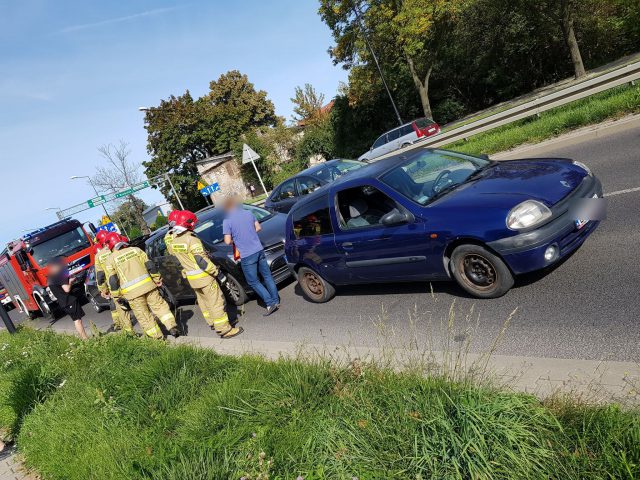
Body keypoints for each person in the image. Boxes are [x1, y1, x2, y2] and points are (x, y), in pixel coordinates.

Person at [164, 210, 243, 338]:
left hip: (192, 278)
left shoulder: (175, 241)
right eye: (193, 223)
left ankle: (213, 323)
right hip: (204, 277)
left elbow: (179, 258)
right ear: (188, 223)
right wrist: (217, 272)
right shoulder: (191, 240)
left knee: (204, 302)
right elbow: (202, 261)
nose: (194, 225)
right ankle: (224, 330)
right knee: (216, 302)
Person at [104, 232, 180, 339]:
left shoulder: (110, 260)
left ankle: (158, 338)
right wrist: (157, 279)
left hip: (133, 294)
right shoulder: (136, 250)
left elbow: (112, 282)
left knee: (144, 316)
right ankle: (171, 326)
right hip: (149, 287)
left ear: (109, 245)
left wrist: (117, 297)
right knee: (160, 307)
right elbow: (151, 266)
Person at [222, 194, 279, 316]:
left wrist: (236, 239)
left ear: (227, 208)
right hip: (259, 250)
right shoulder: (248, 213)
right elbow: (258, 228)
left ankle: (269, 303)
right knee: (267, 276)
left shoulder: (227, 221)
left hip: (247, 255)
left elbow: (227, 241)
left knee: (253, 281)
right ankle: (276, 300)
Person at [94, 230, 133, 334]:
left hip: (114, 285)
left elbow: (100, 275)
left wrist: (103, 289)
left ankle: (129, 332)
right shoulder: (119, 247)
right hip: (128, 280)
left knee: (122, 309)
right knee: (138, 304)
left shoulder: (99, 256)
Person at [47, 256, 89, 340]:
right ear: (56, 265)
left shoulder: (50, 278)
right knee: (78, 321)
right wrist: (70, 281)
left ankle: (84, 338)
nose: (62, 265)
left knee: (77, 320)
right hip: (69, 300)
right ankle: (85, 339)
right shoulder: (59, 275)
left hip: (63, 302)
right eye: (60, 264)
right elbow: (66, 289)